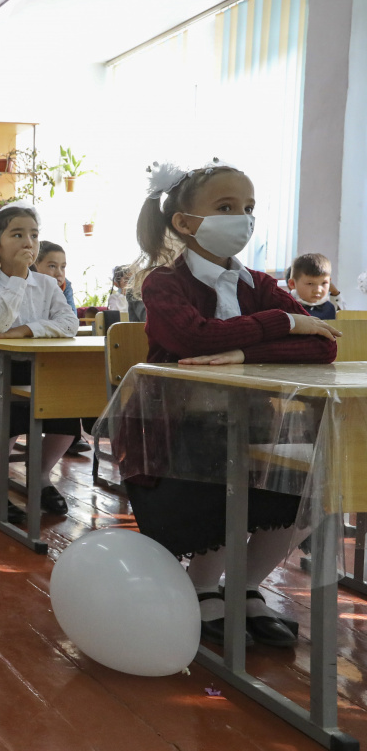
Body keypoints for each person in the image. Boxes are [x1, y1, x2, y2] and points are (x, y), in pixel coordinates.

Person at [125, 160, 339, 648]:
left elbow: (322, 345)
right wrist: (282, 324)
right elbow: (192, 338)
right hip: (178, 430)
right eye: (226, 207)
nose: (242, 218)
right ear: (184, 222)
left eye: (248, 208)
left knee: (301, 488)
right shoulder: (164, 282)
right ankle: (202, 587)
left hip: (257, 422)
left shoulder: (258, 285)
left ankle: (244, 586)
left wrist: (242, 352)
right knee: (218, 487)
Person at [0, 205, 80, 522]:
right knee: (6, 423)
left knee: (67, 415)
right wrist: (17, 279)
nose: (28, 242)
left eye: (34, 235)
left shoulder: (48, 285)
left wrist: (25, 330)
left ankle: (39, 477)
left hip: (41, 370)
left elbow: (69, 324)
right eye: (17, 234)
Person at [288, 253, 337, 320]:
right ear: (292, 284)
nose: (318, 290)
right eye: (310, 283)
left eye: (324, 283)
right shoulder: (284, 306)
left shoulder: (329, 308)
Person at [32, 241, 75, 311]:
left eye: (63, 267)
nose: (59, 273)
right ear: (35, 264)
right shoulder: (25, 284)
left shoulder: (65, 286)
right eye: (52, 266)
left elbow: (71, 315)